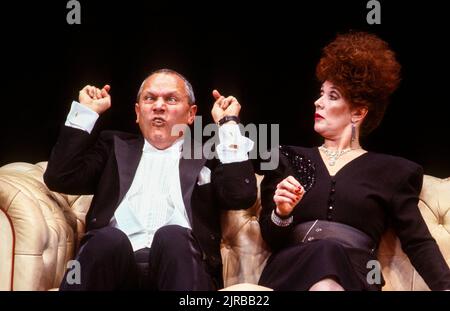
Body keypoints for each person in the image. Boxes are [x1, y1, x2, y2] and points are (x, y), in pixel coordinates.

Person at [257, 31, 450, 291]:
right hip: (292, 269)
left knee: (330, 256)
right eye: (320, 93)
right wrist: (281, 213)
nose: (318, 102)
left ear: (358, 113)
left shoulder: (393, 172)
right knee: (323, 253)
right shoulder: (286, 158)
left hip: (354, 272)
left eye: (332, 96)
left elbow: (418, 241)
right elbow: (272, 237)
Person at [44, 69, 257, 290]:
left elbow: (241, 195)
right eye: (149, 98)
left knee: (172, 235)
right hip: (114, 265)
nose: (158, 106)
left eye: (171, 99)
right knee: (108, 239)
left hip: (180, 266)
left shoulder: (208, 154)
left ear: (191, 114)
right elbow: (60, 177)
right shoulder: (112, 147)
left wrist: (228, 124)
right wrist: (86, 113)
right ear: (138, 112)